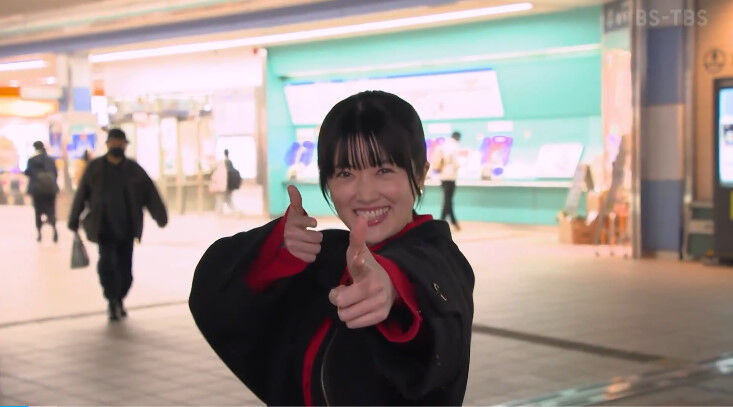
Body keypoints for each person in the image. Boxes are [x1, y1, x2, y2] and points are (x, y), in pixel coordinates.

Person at [190, 91, 474, 405]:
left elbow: (437, 301)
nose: (365, 194)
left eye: (383, 170)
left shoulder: (441, 261)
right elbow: (215, 301)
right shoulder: (327, 256)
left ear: (419, 173)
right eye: (346, 173)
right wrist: (275, 251)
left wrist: (393, 291)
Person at [68, 128, 168, 322]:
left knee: (125, 271)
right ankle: (112, 300)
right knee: (106, 265)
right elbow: (81, 194)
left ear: (125, 145)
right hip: (103, 228)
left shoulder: (133, 170)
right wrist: (73, 218)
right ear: (107, 144)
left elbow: (150, 193)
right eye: (113, 142)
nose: (116, 145)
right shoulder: (95, 168)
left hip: (127, 229)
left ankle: (119, 297)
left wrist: (160, 216)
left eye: (120, 142)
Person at [24, 141, 59, 242]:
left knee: (38, 212)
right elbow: (55, 174)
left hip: (37, 191)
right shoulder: (50, 160)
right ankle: (54, 230)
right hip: (50, 191)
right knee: (51, 211)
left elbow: (28, 172)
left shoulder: (32, 160)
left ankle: (39, 233)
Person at [438, 131, 462, 231]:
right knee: (448, 200)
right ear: (458, 138)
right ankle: (441, 223)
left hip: (443, 175)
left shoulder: (444, 145)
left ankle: (453, 221)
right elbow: (456, 163)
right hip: (451, 176)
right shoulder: (454, 146)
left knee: (448, 200)